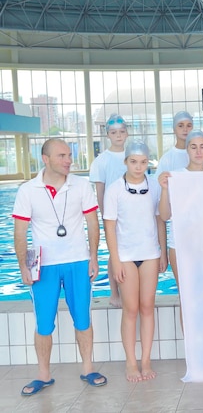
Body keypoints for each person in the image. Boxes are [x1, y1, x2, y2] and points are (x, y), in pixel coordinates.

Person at [13, 139, 107, 395]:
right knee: (43, 322)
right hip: (42, 262)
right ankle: (43, 374)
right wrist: (24, 266)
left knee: (83, 317)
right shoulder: (28, 190)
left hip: (77, 260)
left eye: (69, 155)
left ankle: (88, 368)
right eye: (62, 155)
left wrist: (94, 257)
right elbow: (20, 232)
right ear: (46, 159)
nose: (69, 160)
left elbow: (92, 222)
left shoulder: (81, 185)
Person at [103, 140, 167, 382]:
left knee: (147, 307)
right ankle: (131, 362)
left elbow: (160, 219)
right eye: (133, 162)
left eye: (142, 162)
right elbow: (109, 228)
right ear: (125, 162)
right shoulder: (115, 190)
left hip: (149, 254)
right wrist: (116, 261)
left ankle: (146, 360)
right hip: (126, 257)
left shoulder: (155, 185)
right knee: (130, 309)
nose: (138, 167)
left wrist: (161, 250)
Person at [158, 130, 203, 332]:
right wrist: (165, 189)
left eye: (202, 147)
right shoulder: (176, 178)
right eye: (193, 147)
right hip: (181, 246)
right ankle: (192, 351)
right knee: (188, 297)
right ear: (187, 150)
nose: (198, 152)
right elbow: (165, 215)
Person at [89, 113, 129, 308]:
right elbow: (100, 192)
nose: (118, 136)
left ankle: (127, 291)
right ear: (107, 135)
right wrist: (106, 218)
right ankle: (114, 294)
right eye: (114, 132)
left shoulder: (133, 155)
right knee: (115, 253)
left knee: (129, 252)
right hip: (112, 215)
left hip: (133, 213)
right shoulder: (101, 161)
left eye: (122, 132)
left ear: (127, 133)